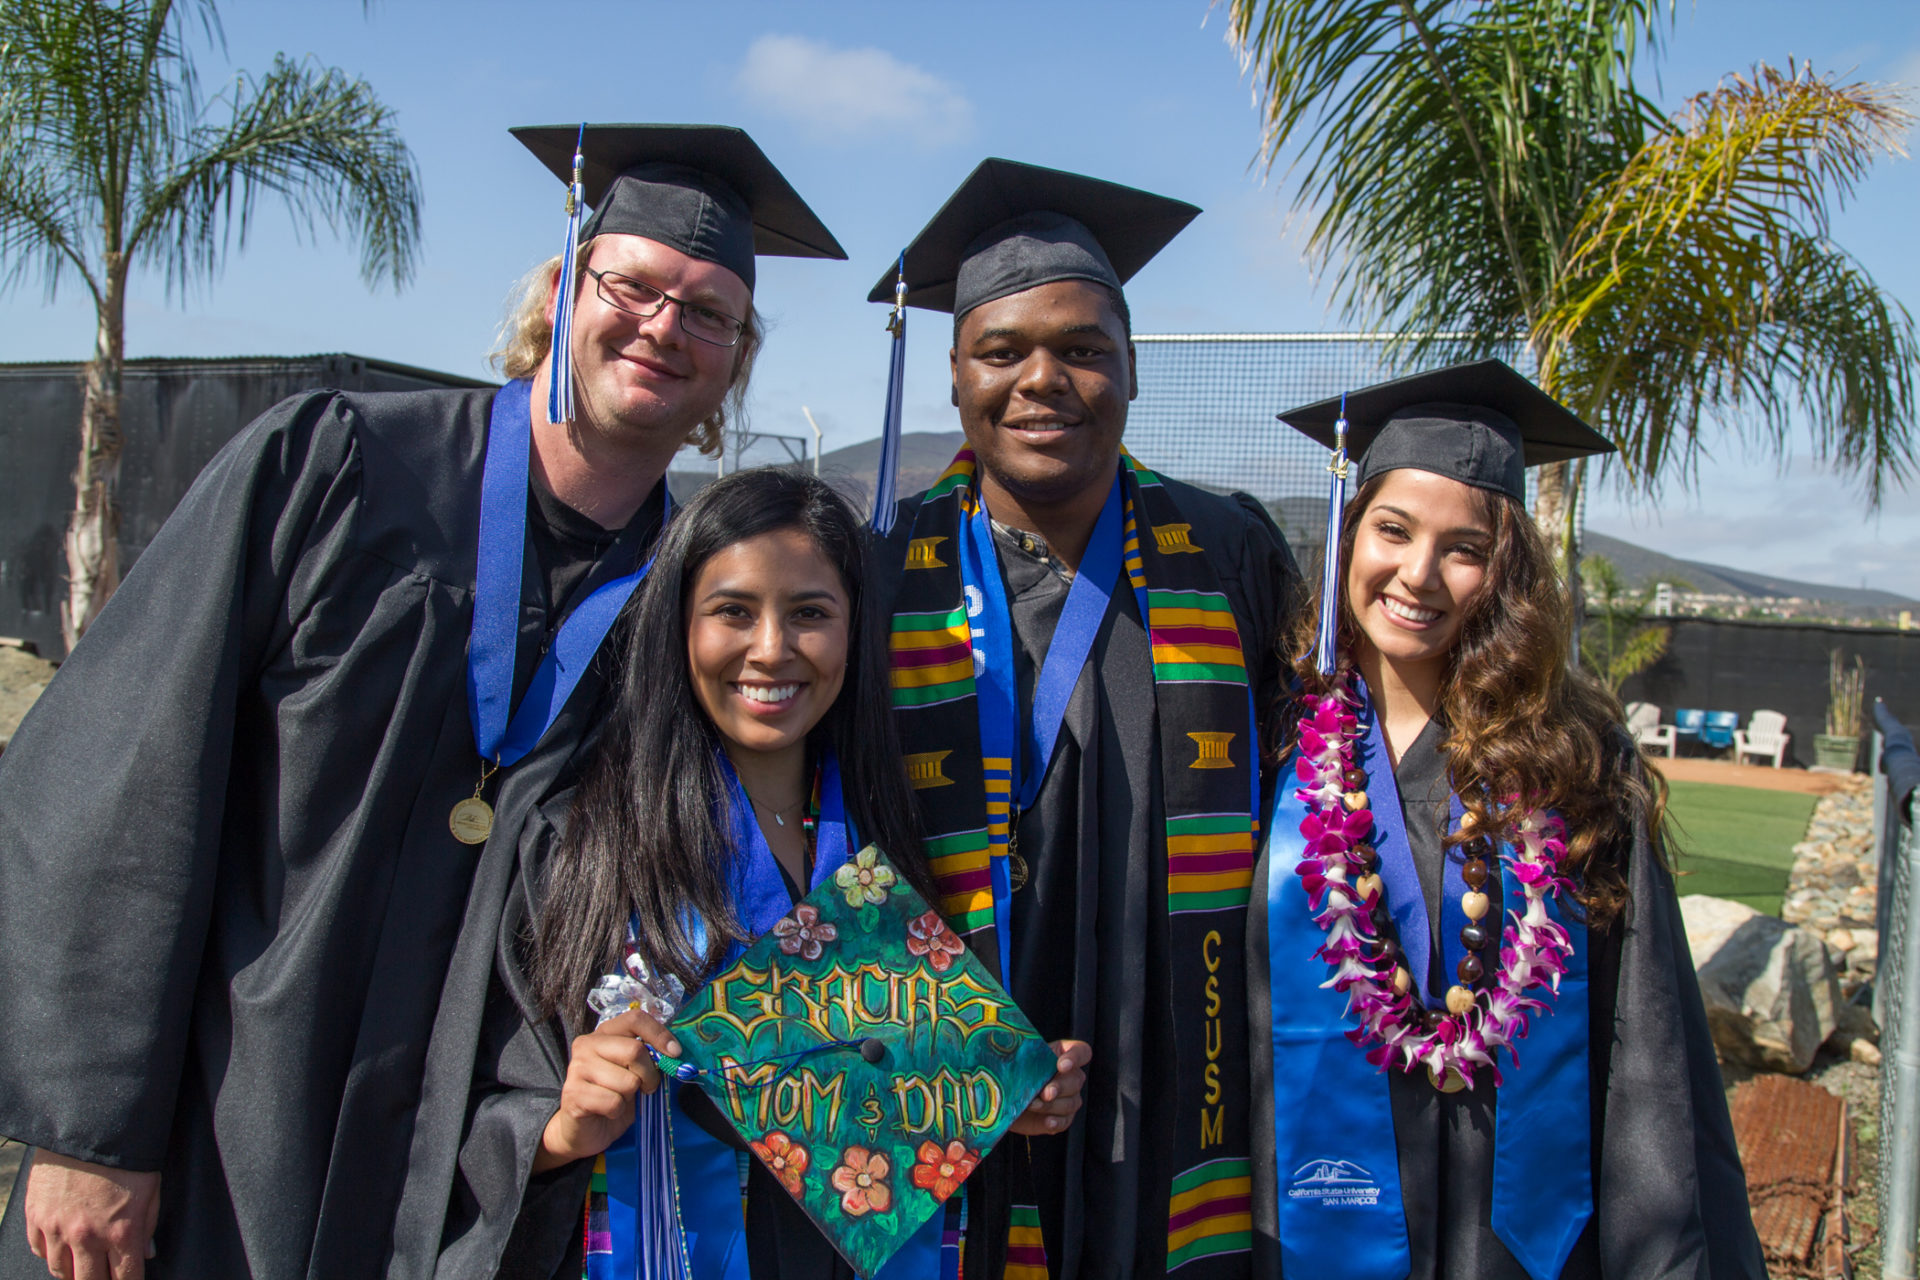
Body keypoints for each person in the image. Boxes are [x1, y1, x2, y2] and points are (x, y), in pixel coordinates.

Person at [0, 123, 846, 1280]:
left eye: (709, 313)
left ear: (734, 361)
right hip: (218, 1105)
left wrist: (951, 1082)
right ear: (563, 291)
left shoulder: (686, 606)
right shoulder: (335, 467)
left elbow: (751, 848)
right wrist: (89, 1129)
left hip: (462, 1163)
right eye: (636, 286)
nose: (664, 326)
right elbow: (125, 771)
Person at [435, 468, 1090, 1279]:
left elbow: (899, 1109)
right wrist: (559, 1127)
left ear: (856, 630)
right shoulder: (578, 841)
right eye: (733, 612)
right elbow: (451, 1125)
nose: (772, 649)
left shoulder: (891, 846)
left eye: (811, 613)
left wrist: (999, 1099)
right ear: (679, 625)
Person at [870, 159, 1302, 1279]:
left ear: (1133, 370)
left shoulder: (1227, 554)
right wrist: (946, 1061)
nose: (1043, 379)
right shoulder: (877, 575)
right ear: (956, 375)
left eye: (1083, 348)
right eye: (1003, 350)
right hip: (930, 1081)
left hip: (1172, 1071)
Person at [1250, 360, 1764, 1278]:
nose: (1418, 574)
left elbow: (1643, 1047)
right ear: (1347, 535)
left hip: (1518, 1235)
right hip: (1305, 1216)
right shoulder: (1274, 742)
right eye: (1393, 530)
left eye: (1464, 548)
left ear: (1506, 571)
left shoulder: (1573, 765)